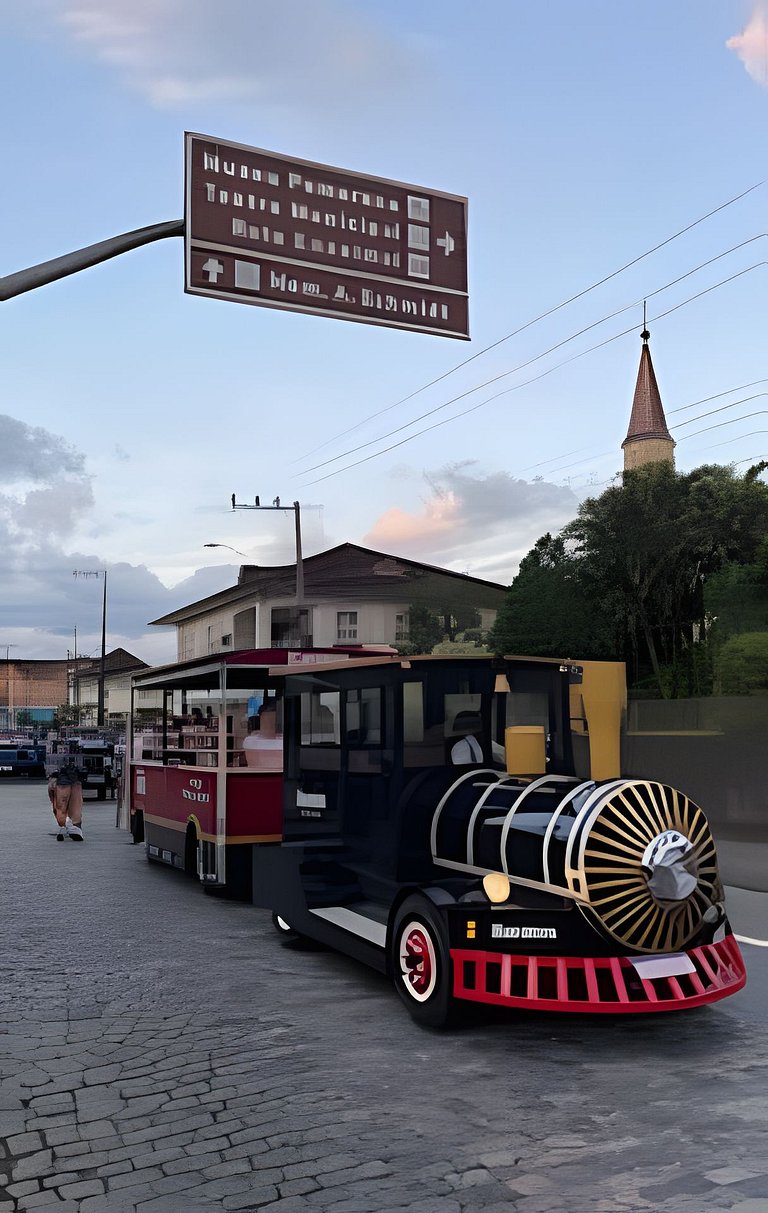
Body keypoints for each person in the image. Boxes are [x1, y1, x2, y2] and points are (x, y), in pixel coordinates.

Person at [48, 758, 85, 841]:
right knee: (75, 804)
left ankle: (64, 826)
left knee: (60, 806)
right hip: (74, 780)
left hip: (61, 781)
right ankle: (73, 826)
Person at [242, 703, 283, 770]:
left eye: (272, 720)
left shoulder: (250, 741)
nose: (270, 723)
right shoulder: (251, 741)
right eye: (267, 720)